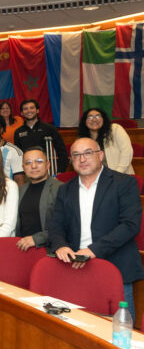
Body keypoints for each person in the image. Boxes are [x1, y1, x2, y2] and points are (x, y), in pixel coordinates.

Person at [47, 138, 142, 318]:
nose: (82, 159)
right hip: (77, 266)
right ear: (71, 160)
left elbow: (130, 225)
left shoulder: (124, 183)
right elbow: (55, 225)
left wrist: (93, 250)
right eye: (76, 155)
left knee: (120, 334)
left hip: (116, 266)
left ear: (100, 155)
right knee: (82, 327)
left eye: (88, 153)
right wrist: (60, 245)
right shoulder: (65, 190)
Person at [16, 147, 62, 251]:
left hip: (50, 251)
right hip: (23, 249)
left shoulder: (60, 189)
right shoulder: (20, 190)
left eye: (39, 161)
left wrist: (37, 239)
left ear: (48, 165)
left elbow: (65, 225)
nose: (33, 166)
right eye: (28, 163)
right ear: (23, 167)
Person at [14, 99, 69, 173]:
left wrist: (60, 171)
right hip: (28, 171)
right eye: (25, 109)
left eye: (32, 108)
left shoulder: (49, 128)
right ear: (22, 113)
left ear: (37, 110)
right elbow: (18, 156)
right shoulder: (18, 132)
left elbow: (62, 151)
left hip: (47, 170)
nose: (29, 111)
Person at [78, 108, 134, 174]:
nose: (94, 119)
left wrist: (117, 174)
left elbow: (127, 152)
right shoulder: (82, 140)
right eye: (90, 117)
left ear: (103, 119)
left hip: (121, 175)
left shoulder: (115, 129)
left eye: (98, 116)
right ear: (85, 121)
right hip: (95, 178)